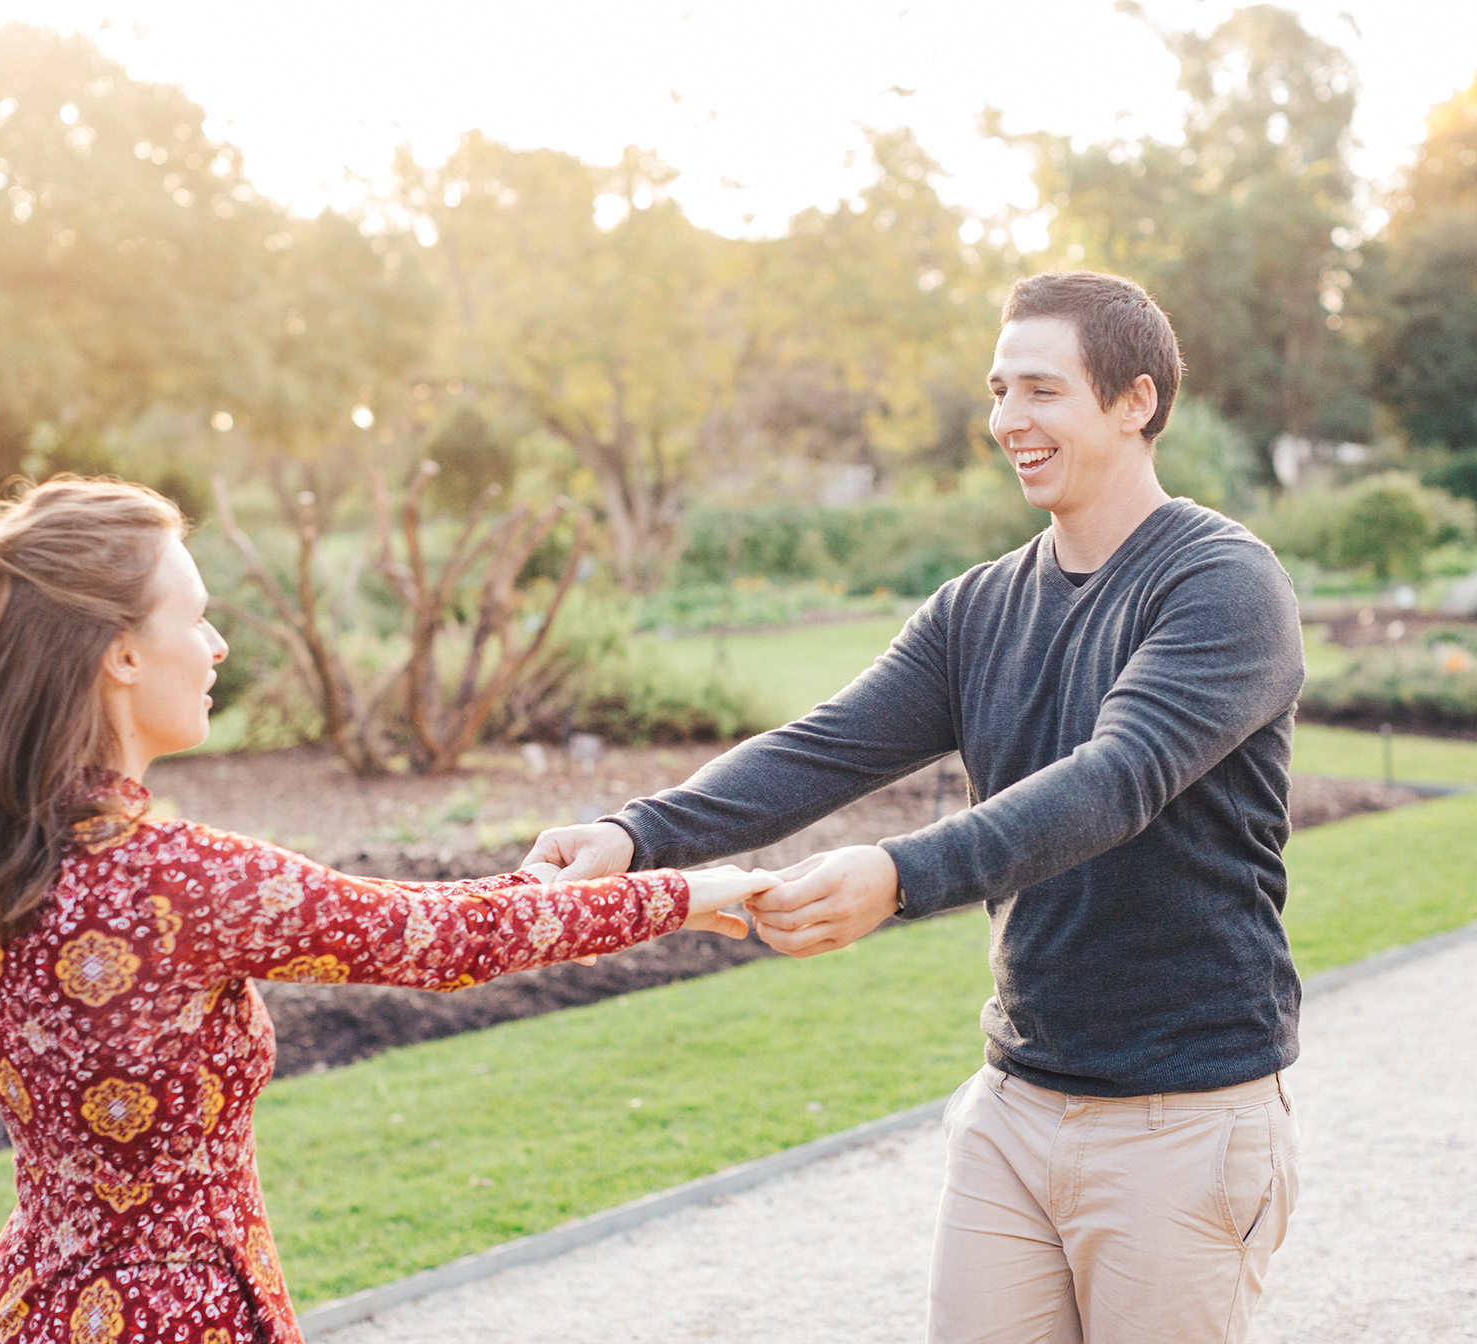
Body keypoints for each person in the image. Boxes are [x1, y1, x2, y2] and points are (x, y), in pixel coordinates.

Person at [525, 270, 1307, 1344]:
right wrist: (634, 834)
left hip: (1184, 1120)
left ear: (1136, 401)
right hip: (1016, 1101)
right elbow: (822, 748)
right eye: (997, 390)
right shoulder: (977, 609)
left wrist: (898, 877)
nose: (1006, 422)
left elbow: (1115, 780)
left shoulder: (1221, 584)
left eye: (1041, 390)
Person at [0, 475, 770, 1344]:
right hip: (181, 1312)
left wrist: (545, 887)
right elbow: (442, 945)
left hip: (35, 1299)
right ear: (122, 654)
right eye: (195, 616)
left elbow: (415, 925)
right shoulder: (178, 879)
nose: (218, 643)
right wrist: (686, 893)